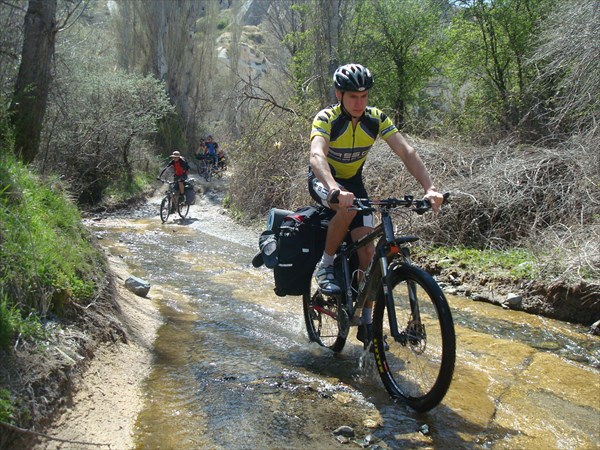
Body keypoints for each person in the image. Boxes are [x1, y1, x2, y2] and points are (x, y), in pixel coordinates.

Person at [308, 63, 445, 347]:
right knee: (347, 207)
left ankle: (367, 322)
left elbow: (406, 151)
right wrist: (333, 188)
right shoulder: (327, 117)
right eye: (353, 97)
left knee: (368, 252)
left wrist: (429, 188)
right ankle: (327, 263)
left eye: (364, 96)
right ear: (339, 94)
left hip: (354, 182)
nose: (359, 102)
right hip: (325, 180)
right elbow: (317, 155)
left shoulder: (376, 118)